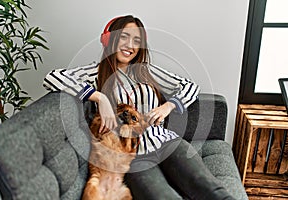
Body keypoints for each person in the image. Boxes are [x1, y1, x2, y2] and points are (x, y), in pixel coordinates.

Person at [43, 15, 235, 200]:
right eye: (124, 37)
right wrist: (100, 98)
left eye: (136, 40)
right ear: (109, 39)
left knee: (210, 189)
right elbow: (53, 77)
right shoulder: (96, 72)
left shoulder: (146, 70)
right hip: (132, 157)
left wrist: (168, 106)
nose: (130, 45)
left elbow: (190, 86)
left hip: (167, 143)